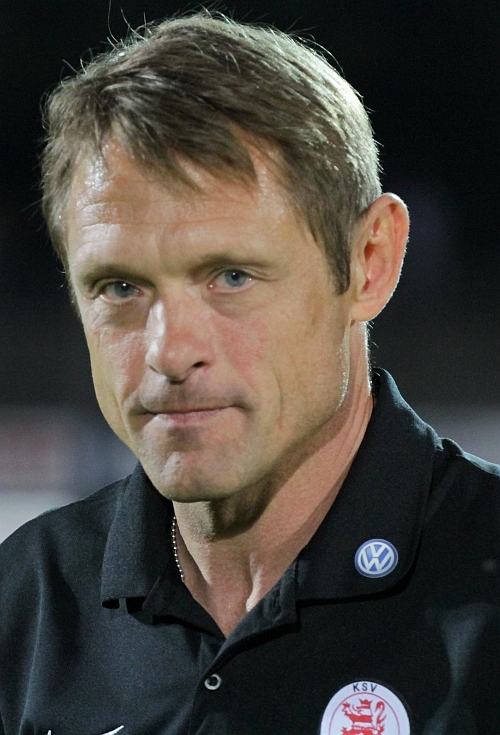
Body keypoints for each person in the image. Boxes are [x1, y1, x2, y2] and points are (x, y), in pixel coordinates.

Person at [1, 12, 499, 735]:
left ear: (370, 263)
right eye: (120, 287)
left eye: (231, 276)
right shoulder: (26, 603)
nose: (169, 352)